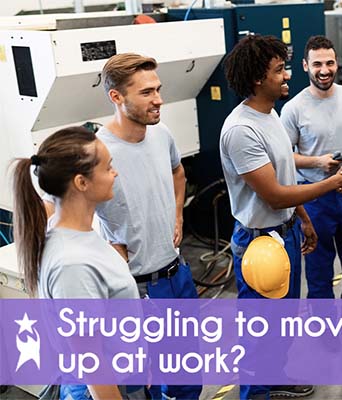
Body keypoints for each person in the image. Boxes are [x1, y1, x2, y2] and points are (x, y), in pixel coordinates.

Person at [220, 34, 342, 400]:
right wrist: (332, 182)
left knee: (281, 321)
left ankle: (277, 376)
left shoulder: (271, 117)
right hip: (259, 242)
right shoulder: (242, 130)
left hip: (284, 233)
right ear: (257, 79)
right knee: (258, 330)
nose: (286, 76)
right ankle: (254, 393)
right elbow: (274, 193)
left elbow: (285, 180)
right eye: (279, 70)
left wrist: (303, 219)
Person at [95, 53, 201, 400]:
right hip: (134, 292)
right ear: (116, 97)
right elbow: (59, 212)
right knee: (144, 387)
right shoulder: (96, 150)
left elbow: (177, 172)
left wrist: (177, 216)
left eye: (158, 89)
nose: (158, 100)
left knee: (188, 380)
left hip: (176, 276)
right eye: (146, 93)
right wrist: (102, 247)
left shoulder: (162, 134)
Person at [12, 126, 141, 400]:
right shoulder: (71, 264)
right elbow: (91, 362)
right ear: (81, 183)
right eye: (107, 168)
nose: (114, 174)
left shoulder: (77, 234)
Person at [280, 35, 342, 300]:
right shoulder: (293, 109)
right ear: (304, 66)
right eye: (317, 64)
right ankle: (324, 330)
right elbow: (284, 156)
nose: (324, 70)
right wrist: (317, 161)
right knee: (319, 270)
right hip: (314, 197)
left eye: (330, 63)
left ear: (336, 64)